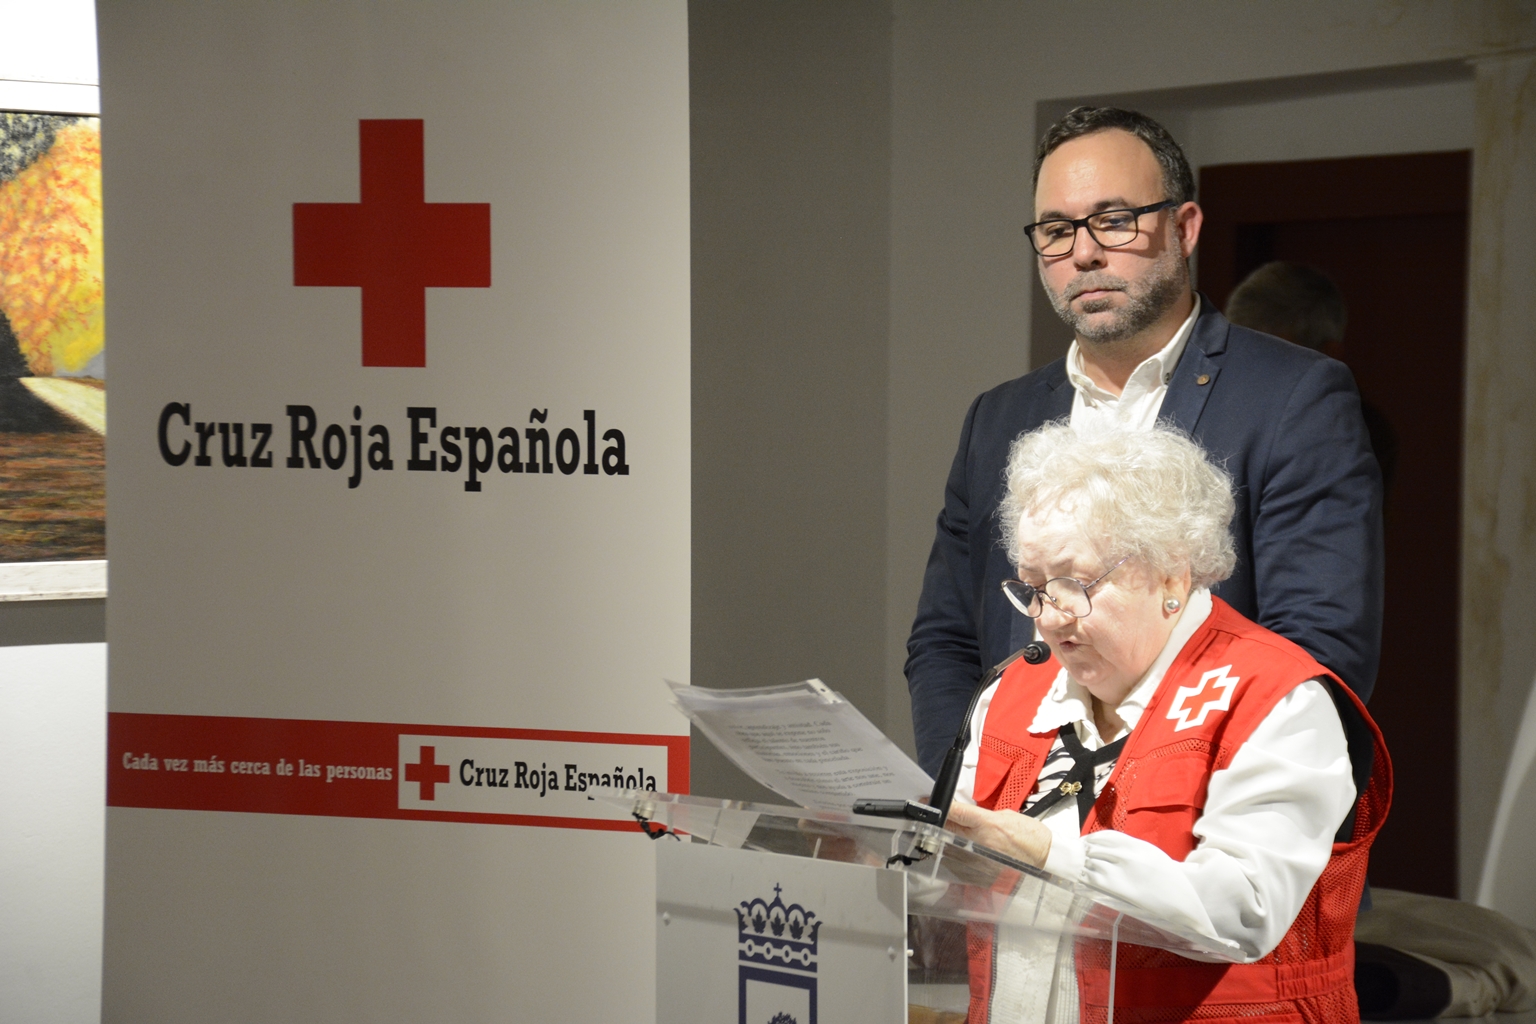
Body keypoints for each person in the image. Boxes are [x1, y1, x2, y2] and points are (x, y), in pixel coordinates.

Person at [905, 106, 1384, 776]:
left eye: (1114, 220)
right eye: (1055, 230)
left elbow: (1315, 656)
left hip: (1198, 841)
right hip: (1012, 846)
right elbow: (946, 639)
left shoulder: (1294, 398)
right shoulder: (999, 418)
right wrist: (964, 794)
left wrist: (1127, 810)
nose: (1084, 252)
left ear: (1184, 229)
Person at [943, 423, 1391, 1023]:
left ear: (1172, 579)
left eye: (1074, 584)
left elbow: (1242, 913)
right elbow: (958, 873)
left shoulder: (1277, 699)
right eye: (1032, 587)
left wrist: (1043, 849)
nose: (1047, 619)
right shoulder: (1011, 690)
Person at [1225, 261, 1399, 502]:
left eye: (1274, 366)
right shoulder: (1213, 408)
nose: (1251, 378)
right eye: (1241, 358)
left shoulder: (1359, 436)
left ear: (1329, 355)